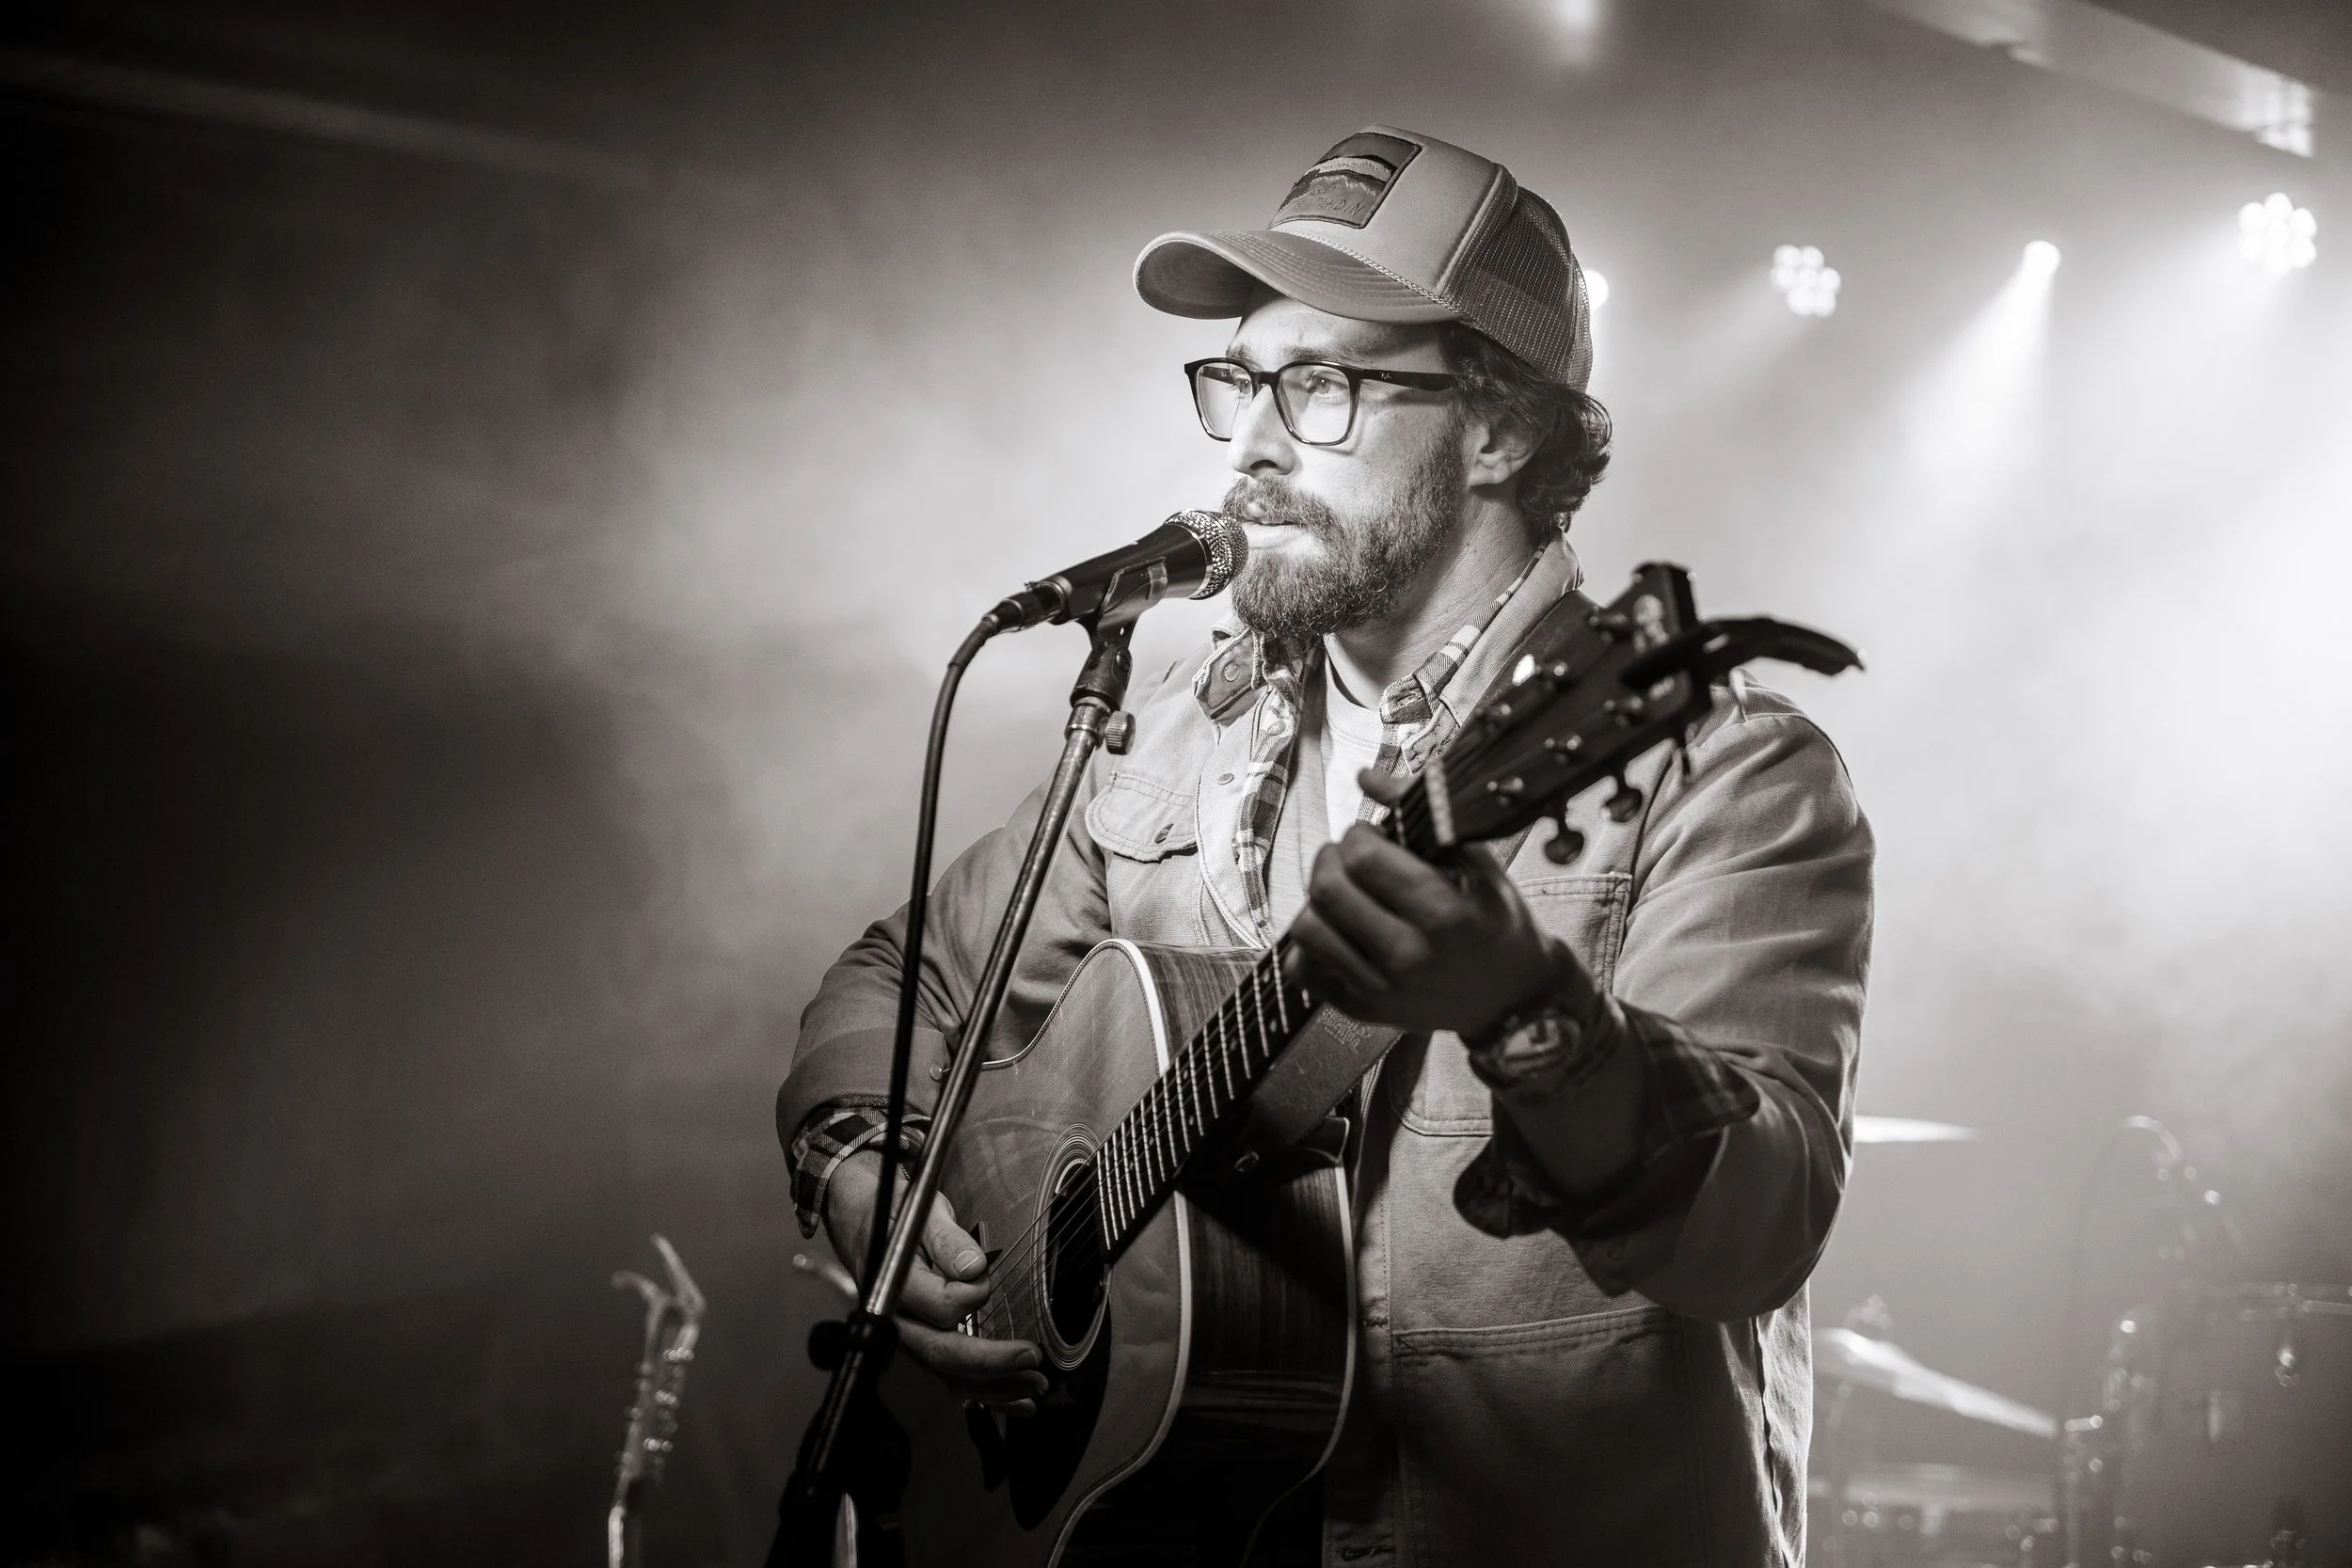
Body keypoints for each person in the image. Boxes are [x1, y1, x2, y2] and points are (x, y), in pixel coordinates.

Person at [775, 125, 1873, 1565]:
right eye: (1239, 379)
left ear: (1500, 427)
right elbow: (895, 982)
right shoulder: (1173, 738)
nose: (1250, 445)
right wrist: (864, 1162)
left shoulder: (1726, 772)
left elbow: (1760, 1216)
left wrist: (1529, 1014)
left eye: (1322, 384)